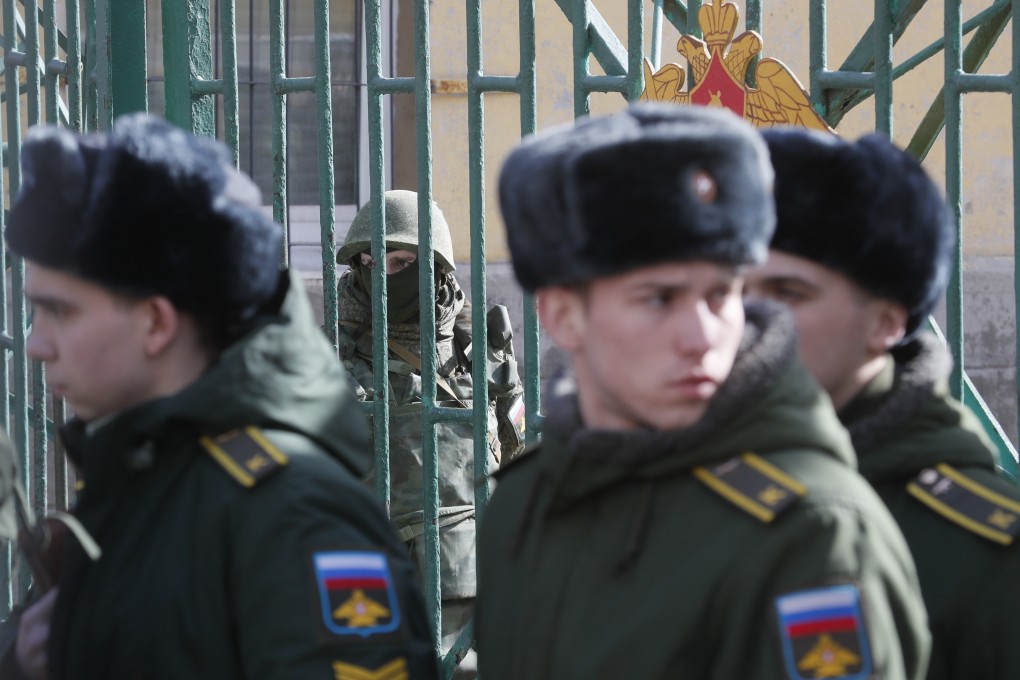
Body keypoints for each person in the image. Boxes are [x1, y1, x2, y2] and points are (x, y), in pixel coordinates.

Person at [476, 103, 931, 679]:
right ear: (563, 315)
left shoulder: (812, 532)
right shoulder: (520, 505)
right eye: (659, 298)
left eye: (722, 296)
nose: (701, 337)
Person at [0, 114, 438, 679]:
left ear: (155, 323)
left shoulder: (297, 518)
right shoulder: (141, 476)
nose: (35, 344)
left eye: (60, 311)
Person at [745, 127, 1020, 680]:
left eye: (788, 293)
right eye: (728, 287)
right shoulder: (657, 489)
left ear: (886, 321)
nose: (743, 318)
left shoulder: (984, 554)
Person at [335, 189, 525, 678]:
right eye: (372, 262)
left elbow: (515, 458)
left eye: (400, 262)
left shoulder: (478, 350)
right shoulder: (326, 352)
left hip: (461, 575)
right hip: (361, 574)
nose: (383, 275)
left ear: (434, 264)